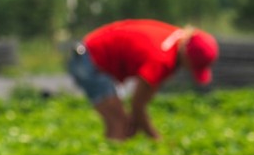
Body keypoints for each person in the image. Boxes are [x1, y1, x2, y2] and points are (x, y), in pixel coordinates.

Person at [68, 19, 219, 141]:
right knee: (120, 125)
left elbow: (140, 103)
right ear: (186, 57)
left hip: (89, 55)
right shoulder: (162, 60)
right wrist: (156, 139)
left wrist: (138, 120)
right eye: (192, 67)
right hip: (89, 62)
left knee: (124, 125)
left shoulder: (176, 36)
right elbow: (137, 104)